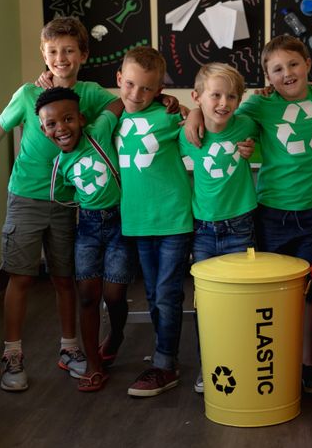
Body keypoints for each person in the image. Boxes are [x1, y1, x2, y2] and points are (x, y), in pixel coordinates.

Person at [184, 35, 312, 393]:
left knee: (310, 292)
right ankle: (276, 360)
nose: (287, 74)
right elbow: (218, 111)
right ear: (267, 77)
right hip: (270, 214)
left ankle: (307, 365)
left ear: (309, 65)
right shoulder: (257, 106)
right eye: (277, 69)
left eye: (294, 64)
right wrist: (192, 112)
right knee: (274, 294)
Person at [0, 17, 113, 391]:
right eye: (54, 51)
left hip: (66, 201)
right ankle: (12, 353)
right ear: (43, 54)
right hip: (25, 197)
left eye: (69, 50)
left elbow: (125, 102)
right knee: (22, 276)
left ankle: (69, 348)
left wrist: (169, 100)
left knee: (63, 278)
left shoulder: (90, 93)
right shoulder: (28, 94)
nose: (61, 58)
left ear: (83, 55)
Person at [36, 87, 131, 392]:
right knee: (88, 295)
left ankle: (115, 335)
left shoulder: (98, 130)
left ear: (82, 118)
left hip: (119, 223)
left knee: (114, 294)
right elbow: (64, 195)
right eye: (51, 124)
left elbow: (119, 101)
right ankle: (93, 363)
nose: (61, 128)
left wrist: (163, 98)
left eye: (68, 119)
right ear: (43, 129)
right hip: (88, 228)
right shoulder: (59, 166)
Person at [116, 46, 194, 398]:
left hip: (174, 220)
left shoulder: (168, 117)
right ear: (119, 79)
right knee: (153, 294)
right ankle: (165, 352)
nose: (136, 94)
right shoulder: (112, 118)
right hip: (137, 222)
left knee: (166, 293)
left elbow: (200, 133)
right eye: (130, 85)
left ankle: (165, 363)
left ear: (160, 90)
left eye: (147, 88)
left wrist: (191, 113)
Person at [180, 62, 258, 393]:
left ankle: (242, 359)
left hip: (242, 225)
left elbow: (269, 138)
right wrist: (190, 116)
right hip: (204, 230)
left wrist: (253, 147)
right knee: (207, 303)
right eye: (215, 95)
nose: (223, 103)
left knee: (243, 299)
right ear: (198, 97)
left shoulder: (247, 126)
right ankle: (209, 363)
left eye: (231, 96)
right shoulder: (188, 134)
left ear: (240, 101)